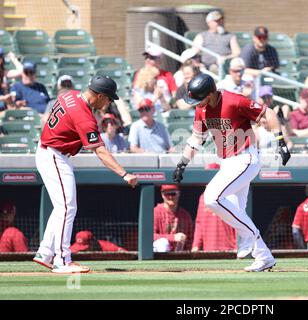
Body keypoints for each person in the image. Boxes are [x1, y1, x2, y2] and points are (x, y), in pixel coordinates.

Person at [172, 73, 291, 272]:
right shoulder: (201, 109)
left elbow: (267, 113)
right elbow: (196, 139)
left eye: (198, 98)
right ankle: (261, 254)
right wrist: (182, 163)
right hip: (227, 162)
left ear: (210, 93)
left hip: (246, 157)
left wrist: (280, 141)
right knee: (237, 208)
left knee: (212, 198)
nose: (195, 103)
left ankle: (253, 239)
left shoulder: (234, 100)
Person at [32, 75, 138, 274]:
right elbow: (100, 151)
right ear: (98, 95)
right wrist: (124, 174)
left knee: (62, 207)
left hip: (49, 151)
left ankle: (45, 252)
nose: (109, 102)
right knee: (67, 207)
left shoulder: (70, 95)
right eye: (107, 98)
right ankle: (62, 259)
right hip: (54, 155)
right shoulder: (84, 116)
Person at [191, 163, 237, 252]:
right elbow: (199, 223)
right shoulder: (202, 197)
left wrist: (237, 246)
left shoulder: (229, 195)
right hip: (208, 249)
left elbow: (237, 222)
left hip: (229, 249)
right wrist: (196, 245)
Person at [153, 184, 193, 252]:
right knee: (163, 243)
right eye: (167, 194)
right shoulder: (156, 212)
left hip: (179, 253)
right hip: (158, 254)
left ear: (178, 194)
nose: (170, 197)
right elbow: (150, 236)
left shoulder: (185, 215)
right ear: (162, 195)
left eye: (173, 194)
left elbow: (191, 239)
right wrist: (173, 237)